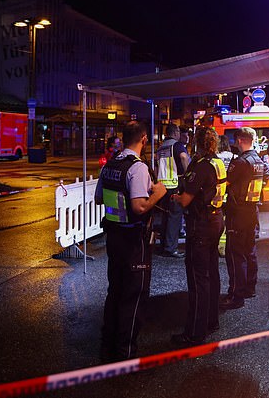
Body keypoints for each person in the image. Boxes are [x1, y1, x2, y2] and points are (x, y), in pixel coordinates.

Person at [95, 121, 167, 362]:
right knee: (134, 295)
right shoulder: (137, 168)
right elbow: (139, 206)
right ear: (144, 139)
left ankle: (108, 346)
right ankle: (125, 353)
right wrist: (158, 192)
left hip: (113, 237)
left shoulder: (110, 165)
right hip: (134, 240)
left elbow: (98, 199)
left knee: (114, 291)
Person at [170, 126, 226, 346]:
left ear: (198, 142)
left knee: (197, 279)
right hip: (216, 221)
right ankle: (211, 321)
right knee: (212, 274)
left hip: (201, 225)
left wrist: (175, 198)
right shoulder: (218, 163)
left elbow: (185, 199)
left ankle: (195, 332)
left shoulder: (202, 166)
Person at [220, 127, 265, 310]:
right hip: (252, 211)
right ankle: (249, 288)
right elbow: (266, 177)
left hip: (238, 212)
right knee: (250, 251)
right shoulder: (259, 160)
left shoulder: (240, 162)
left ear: (239, 140)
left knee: (235, 254)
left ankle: (236, 295)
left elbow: (226, 181)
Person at [156, 123, 190, 258]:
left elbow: (157, 167)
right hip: (175, 184)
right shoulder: (177, 145)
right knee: (175, 217)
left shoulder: (161, 147)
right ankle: (171, 248)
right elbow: (183, 157)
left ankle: (163, 245)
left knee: (165, 217)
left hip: (162, 186)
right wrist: (188, 174)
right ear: (175, 132)